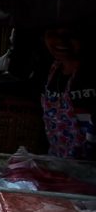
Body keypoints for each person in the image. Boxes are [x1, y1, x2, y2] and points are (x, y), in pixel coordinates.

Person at [41, 27, 95, 159]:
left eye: (71, 34)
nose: (61, 40)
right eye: (53, 33)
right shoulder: (49, 70)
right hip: (60, 165)